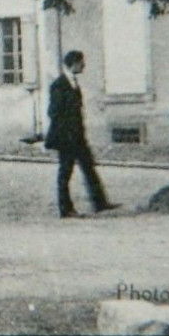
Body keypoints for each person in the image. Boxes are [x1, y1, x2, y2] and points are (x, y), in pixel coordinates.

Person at [45, 51, 121, 218]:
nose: (83, 66)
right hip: (66, 138)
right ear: (74, 63)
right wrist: (66, 134)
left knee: (89, 168)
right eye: (81, 63)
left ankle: (99, 202)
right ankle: (65, 209)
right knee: (65, 173)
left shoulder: (73, 83)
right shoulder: (59, 85)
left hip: (78, 136)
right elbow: (54, 113)